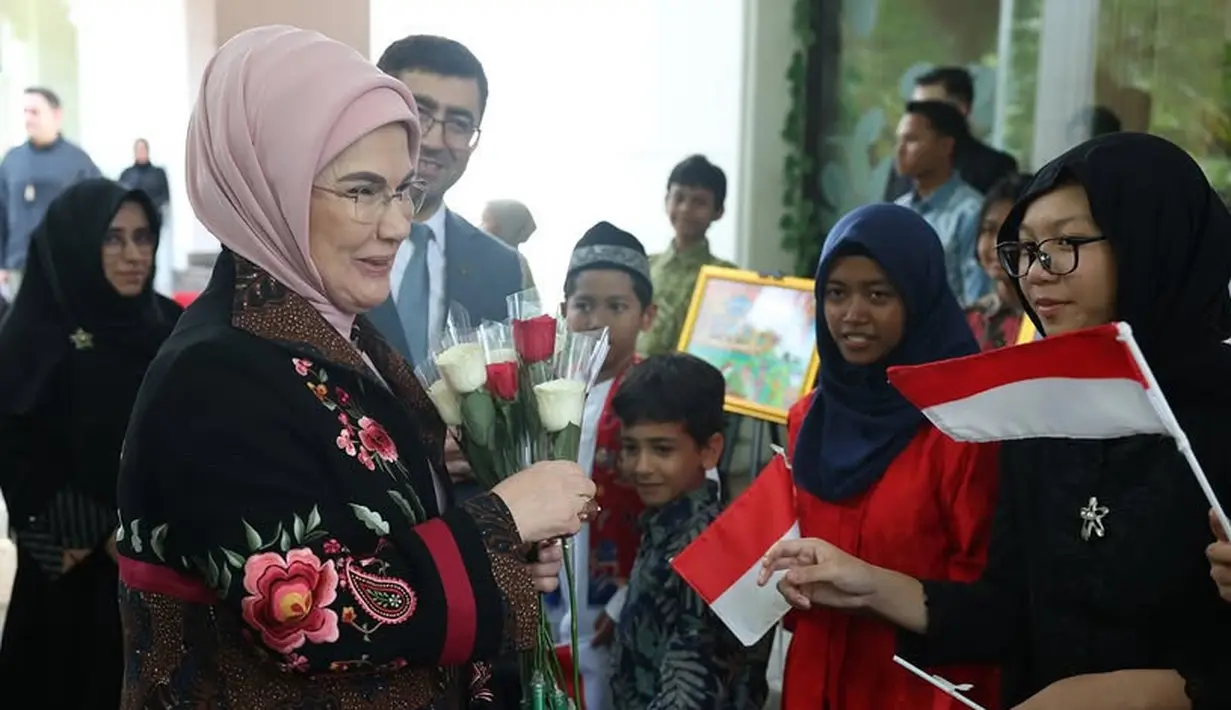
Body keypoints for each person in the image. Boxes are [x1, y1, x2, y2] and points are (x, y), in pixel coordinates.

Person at [113, 26, 595, 709]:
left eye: (403, 192)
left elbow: (370, 539)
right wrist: (500, 519)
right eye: (362, 191)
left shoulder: (332, 335)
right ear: (268, 186)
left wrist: (502, 557)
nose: (397, 224)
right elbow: (304, 618)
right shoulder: (216, 374)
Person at [762, 133, 1231, 709]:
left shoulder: (1217, 415)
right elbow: (1005, 609)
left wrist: (1151, 694)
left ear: (1152, 241)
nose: (1034, 274)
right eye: (1026, 250)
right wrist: (866, 582)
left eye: (1064, 244)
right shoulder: (1038, 412)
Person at [754, 203, 999, 709]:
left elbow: (984, 597)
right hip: (816, 677)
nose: (852, 315)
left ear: (919, 298)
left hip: (917, 685)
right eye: (836, 293)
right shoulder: (809, 419)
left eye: (879, 295)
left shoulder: (963, 427)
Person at [0, 178, 181, 707]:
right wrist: (107, 536)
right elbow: (15, 453)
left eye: (143, 237)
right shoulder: (33, 339)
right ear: (76, 241)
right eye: (112, 239)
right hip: (74, 586)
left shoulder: (171, 326)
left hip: (170, 570)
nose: (133, 255)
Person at [608, 352, 769, 710]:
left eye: (662, 449)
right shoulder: (665, 527)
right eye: (631, 448)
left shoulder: (708, 552)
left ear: (710, 450)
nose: (641, 466)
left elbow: (691, 691)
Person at [369, 35, 526, 368]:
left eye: (458, 124)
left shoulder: (500, 268)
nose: (435, 141)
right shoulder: (324, 240)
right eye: (419, 112)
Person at [558, 221, 658, 710]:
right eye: (584, 305)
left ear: (646, 315)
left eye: (617, 307)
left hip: (619, 603)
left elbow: (683, 518)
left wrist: (626, 601)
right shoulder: (541, 394)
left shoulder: (660, 398)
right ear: (563, 312)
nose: (598, 319)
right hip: (550, 597)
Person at [0, 87, 101, 297]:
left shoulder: (78, 161)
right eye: (25, 112)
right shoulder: (12, 160)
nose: (28, 118)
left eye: (35, 112)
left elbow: (97, 214)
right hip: (20, 265)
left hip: (65, 265)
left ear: (56, 115)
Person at [638, 154, 737, 357]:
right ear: (667, 201)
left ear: (718, 211)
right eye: (679, 198)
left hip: (690, 383)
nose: (685, 209)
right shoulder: (643, 265)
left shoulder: (727, 278)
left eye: (699, 202)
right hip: (633, 378)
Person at [894, 100, 989, 306]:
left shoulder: (971, 212)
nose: (900, 149)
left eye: (911, 140)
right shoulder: (898, 210)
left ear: (945, 146)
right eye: (899, 140)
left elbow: (978, 297)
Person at [885, 66, 1018, 200]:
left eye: (928, 108)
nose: (916, 117)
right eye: (914, 108)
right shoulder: (905, 162)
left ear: (961, 109)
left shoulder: (994, 168)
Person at [966, 173, 1030, 350]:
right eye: (989, 230)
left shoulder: (1052, 319)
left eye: (1011, 233)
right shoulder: (968, 320)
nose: (997, 244)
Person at [480, 198, 537, 287]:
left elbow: (528, 300)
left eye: (486, 223)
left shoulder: (519, 264)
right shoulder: (468, 248)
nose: (480, 229)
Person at [118, 138, 171, 212]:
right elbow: (119, 197)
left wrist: (148, 205)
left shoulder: (158, 173)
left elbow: (165, 196)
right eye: (138, 150)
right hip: (131, 216)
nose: (141, 152)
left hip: (154, 215)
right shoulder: (126, 174)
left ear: (147, 150)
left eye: (143, 149)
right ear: (134, 152)